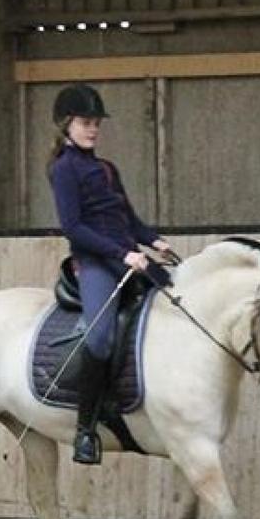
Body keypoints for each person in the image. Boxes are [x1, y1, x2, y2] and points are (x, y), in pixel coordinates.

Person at [47, 83, 176, 465]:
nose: (93, 129)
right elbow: (74, 228)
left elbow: (127, 219)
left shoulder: (106, 169)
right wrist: (123, 254)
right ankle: (86, 428)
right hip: (95, 263)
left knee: (174, 296)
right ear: (66, 125)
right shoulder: (64, 169)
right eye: (86, 123)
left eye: (96, 124)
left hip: (129, 256)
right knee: (100, 337)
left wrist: (154, 241)